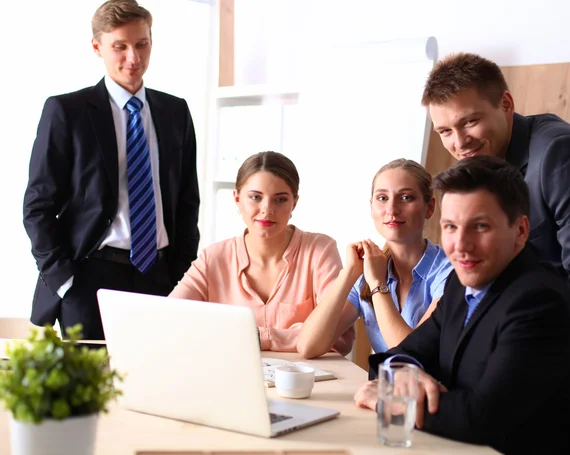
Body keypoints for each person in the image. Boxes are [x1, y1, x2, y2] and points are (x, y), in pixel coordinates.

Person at [353, 156, 570, 454]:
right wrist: (403, 373)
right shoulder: (460, 283)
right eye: (451, 227)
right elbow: (401, 355)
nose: (461, 245)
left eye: (480, 227)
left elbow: (484, 416)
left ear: (520, 231)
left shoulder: (539, 300)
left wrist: (389, 399)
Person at [421, 52, 570, 428]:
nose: (459, 143)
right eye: (445, 132)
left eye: (469, 122)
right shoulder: (483, 167)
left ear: (506, 104)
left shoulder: (563, 156)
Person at [23, 0, 200, 340]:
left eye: (141, 44)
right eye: (119, 46)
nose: (133, 58)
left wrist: (180, 271)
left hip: (160, 278)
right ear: (97, 47)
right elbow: (37, 207)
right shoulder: (67, 112)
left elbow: (186, 199)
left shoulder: (175, 112)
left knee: (157, 387)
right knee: (92, 392)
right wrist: (64, 280)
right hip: (90, 280)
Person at [169, 151, 354, 353]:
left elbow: (338, 338)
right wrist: (294, 335)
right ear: (237, 198)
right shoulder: (212, 258)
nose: (267, 209)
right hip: (229, 374)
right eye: (256, 197)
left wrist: (254, 337)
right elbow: (169, 319)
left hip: (308, 381)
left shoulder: (320, 251)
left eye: (280, 199)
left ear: (294, 202)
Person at [297, 159, 452, 358]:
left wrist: (378, 285)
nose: (392, 209)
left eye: (406, 197)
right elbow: (308, 346)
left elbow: (410, 357)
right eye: (382, 198)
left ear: (429, 207)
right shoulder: (369, 269)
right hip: (382, 387)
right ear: (371, 207)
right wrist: (348, 274)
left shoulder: (449, 273)